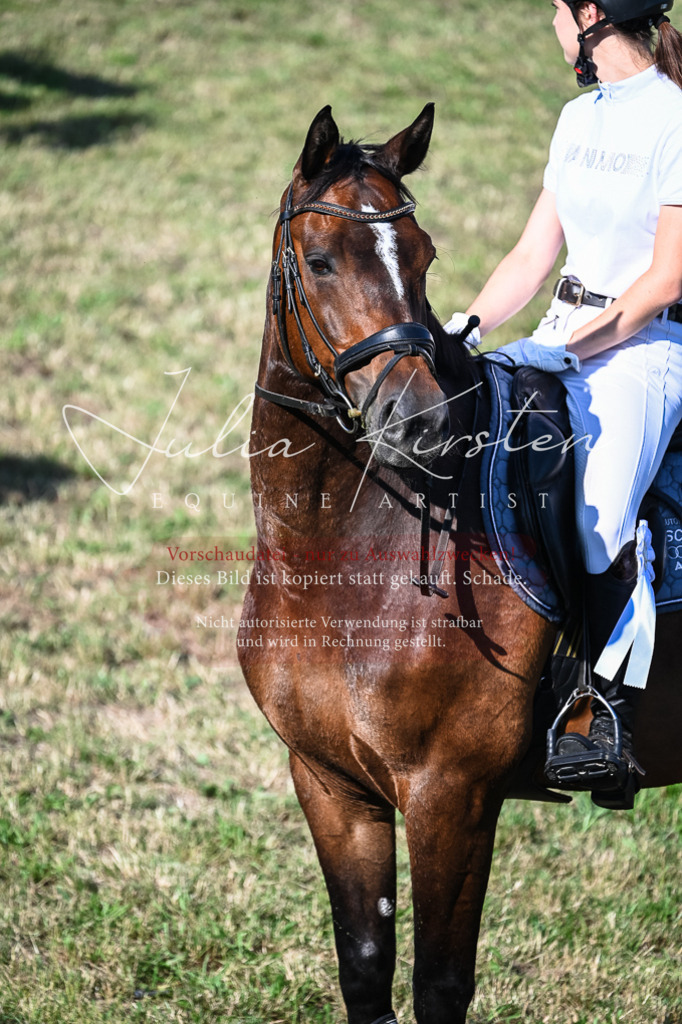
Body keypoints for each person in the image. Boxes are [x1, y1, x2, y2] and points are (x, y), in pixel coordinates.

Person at [445, 0, 682, 808]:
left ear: (590, 14)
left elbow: (666, 279)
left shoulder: (675, 119)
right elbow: (531, 254)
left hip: (643, 349)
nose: (549, 21)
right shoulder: (577, 116)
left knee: (597, 519)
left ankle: (599, 715)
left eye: (555, 6)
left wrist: (574, 351)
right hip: (560, 327)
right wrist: (468, 327)